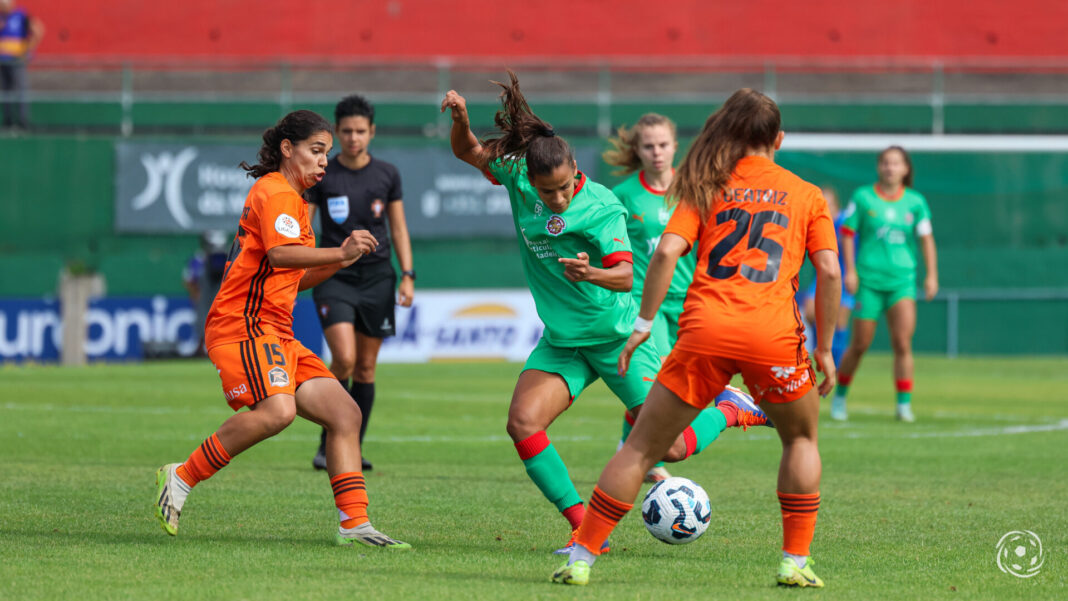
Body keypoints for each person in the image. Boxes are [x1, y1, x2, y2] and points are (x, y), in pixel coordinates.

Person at [440, 72, 768, 554]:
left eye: (565, 186)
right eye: (547, 191)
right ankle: (583, 526)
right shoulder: (518, 177)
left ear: (575, 169)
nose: (558, 198)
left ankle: (730, 409)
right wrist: (463, 119)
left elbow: (623, 275)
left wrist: (590, 273)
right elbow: (468, 150)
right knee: (523, 424)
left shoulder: (602, 206)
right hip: (564, 341)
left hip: (615, 339)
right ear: (529, 179)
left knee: (672, 448)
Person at [551, 88, 841, 588]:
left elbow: (665, 254)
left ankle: (582, 557)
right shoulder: (807, 194)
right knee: (800, 439)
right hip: (773, 335)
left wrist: (641, 327)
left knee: (640, 449)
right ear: (779, 139)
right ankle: (794, 561)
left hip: (704, 327)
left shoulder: (703, 184)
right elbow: (831, 272)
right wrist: (824, 348)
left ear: (730, 135)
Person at [154, 110, 410, 549]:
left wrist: (340, 259)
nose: (324, 162)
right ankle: (181, 476)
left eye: (326, 154)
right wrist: (338, 250)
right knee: (278, 412)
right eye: (316, 151)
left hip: (275, 331)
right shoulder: (274, 191)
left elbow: (294, 274)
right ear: (287, 149)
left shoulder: (293, 201)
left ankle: (355, 523)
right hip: (243, 327)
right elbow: (280, 256)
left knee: (345, 414)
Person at [306, 94, 415, 472]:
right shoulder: (323, 174)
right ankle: (327, 442)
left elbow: (398, 228)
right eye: (347, 131)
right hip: (333, 275)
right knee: (345, 360)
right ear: (337, 132)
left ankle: (350, 446)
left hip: (378, 278)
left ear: (372, 132)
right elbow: (305, 227)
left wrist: (408, 275)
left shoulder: (387, 174)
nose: (354, 137)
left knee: (366, 369)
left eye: (360, 131)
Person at [603, 113, 692, 483]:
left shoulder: (693, 189)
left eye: (663, 145)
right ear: (637, 150)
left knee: (683, 388)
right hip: (645, 305)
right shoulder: (623, 196)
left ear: (675, 146)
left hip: (688, 304)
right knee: (658, 385)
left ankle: (628, 448)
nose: (657, 152)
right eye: (648, 146)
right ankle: (648, 458)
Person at [831, 146, 938, 423]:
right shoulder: (863, 197)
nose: (890, 168)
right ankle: (840, 396)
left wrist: (931, 276)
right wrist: (850, 271)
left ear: (905, 169)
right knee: (860, 344)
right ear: (879, 167)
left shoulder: (915, 202)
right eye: (885, 163)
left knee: (902, 342)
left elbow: (926, 239)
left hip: (902, 282)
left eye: (896, 163)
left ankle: (904, 405)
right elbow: (847, 233)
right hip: (869, 282)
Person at [800, 186, 853, 368]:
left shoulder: (847, 223)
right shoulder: (817, 222)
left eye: (828, 203)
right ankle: (819, 353)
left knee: (839, 321)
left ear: (837, 205)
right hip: (822, 275)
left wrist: (854, 274)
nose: (824, 206)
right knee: (809, 311)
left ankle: (837, 364)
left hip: (844, 277)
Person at [182, 230, 229, 356]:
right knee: (203, 320)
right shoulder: (198, 260)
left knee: (220, 322)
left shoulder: (226, 257)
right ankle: (202, 347)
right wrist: (196, 295)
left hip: (219, 295)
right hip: (204, 295)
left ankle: (219, 347)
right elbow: (189, 279)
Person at [0, 0, 43, 130]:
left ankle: (22, 121)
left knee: (20, 91)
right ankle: (8, 121)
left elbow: (38, 30)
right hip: (2, 61)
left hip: (17, 61)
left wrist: (28, 49)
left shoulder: (21, 16)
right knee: (4, 92)